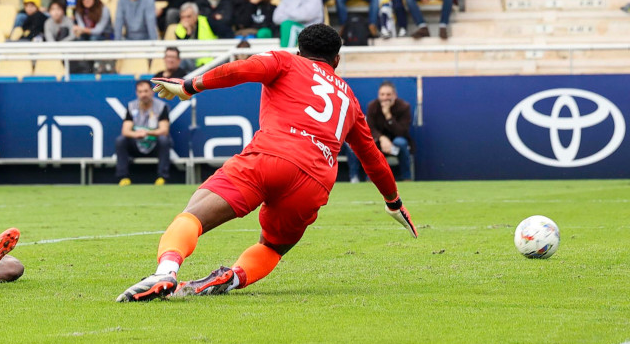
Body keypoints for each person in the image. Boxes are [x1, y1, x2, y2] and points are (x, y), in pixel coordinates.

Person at [117, 24, 417, 301]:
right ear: (336, 60)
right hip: (315, 181)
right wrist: (394, 202)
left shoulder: (286, 61)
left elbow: (240, 69)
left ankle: (165, 272)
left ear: (299, 50)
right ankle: (231, 278)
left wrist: (190, 85)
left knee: (194, 214)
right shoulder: (349, 99)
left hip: (271, 156)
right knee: (273, 247)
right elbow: (372, 157)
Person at [347, 81, 415, 182]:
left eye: (388, 94)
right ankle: (371, 179)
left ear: (394, 95)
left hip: (396, 143)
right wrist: (382, 138)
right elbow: (369, 128)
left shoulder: (404, 107)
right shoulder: (372, 106)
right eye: (382, 94)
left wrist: (388, 115)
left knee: (400, 142)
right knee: (369, 145)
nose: (385, 97)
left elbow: (402, 132)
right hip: (379, 142)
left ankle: (407, 178)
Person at [115, 79, 173, 187]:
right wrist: (136, 134)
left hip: (155, 145)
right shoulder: (131, 106)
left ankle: (162, 177)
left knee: (164, 140)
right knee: (120, 140)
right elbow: (125, 131)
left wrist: (147, 133)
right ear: (137, 93)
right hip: (136, 144)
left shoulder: (161, 106)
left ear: (152, 91)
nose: (143, 94)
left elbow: (164, 130)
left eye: (146, 91)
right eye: (140, 92)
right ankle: (123, 178)